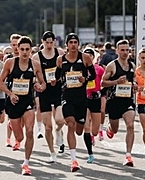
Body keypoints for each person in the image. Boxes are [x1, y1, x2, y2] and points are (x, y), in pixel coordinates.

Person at [0, 36, 46, 175]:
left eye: (27, 49)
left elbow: (43, 83)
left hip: (27, 102)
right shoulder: (10, 63)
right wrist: (10, 93)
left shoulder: (35, 64)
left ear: (31, 50)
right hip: (13, 102)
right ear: (17, 49)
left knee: (30, 131)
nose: (25, 52)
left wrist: (39, 86)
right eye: (22, 49)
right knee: (19, 138)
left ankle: (26, 163)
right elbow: (0, 83)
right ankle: (14, 126)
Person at [57, 33, 96, 172]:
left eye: (75, 42)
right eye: (71, 42)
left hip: (81, 98)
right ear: (66, 44)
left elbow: (93, 75)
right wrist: (55, 82)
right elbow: (57, 77)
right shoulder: (60, 60)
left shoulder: (84, 58)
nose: (73, 44)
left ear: (78, 44)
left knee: (79, 130)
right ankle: (73, 160)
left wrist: (85, 79)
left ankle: (76, 152)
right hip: (67, 97)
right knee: (70, 125)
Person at [31, 31, 66, 162]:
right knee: (48, 126)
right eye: (47, 42)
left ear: (54, 42)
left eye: (51, 42)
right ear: (42, 42)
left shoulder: (60, 53)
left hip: (58, 91)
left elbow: (66, 70)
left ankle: (59, 132)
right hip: (44, 92)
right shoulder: (36, 57)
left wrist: (58, 79)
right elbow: (34, 75)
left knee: (60, 120)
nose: (49, 45)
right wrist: (37, 84)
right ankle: (52, 152)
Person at [102, 39, 137, 167]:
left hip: (127, 101)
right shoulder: (112, 65)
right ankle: (110, 128)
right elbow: (102, 83)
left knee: (130, 125)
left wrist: (135, 86)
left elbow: (134, 81)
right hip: (114, 101)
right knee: (115, 129)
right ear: (117, 51)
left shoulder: (132, 66)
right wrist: (116, 81)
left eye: (127, 50)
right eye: (122, 50)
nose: (125, 52)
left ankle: (128, 155)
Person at [83, 48, 104, 163]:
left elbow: (104, 82)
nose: (88, 58)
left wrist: (101, 92)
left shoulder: (99, 69)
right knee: (86, 126)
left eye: (90, 56)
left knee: (94, 131)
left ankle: (93, 135)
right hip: (84, 100)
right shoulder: (80, 69)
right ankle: (90, 153)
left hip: (95, 99)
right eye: (86, 56)